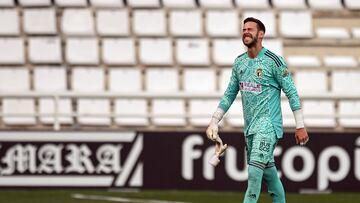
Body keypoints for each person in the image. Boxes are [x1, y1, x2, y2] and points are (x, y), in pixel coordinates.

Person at [206, 17, 309, 203]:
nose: (245, 32)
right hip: (250, 128)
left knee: (254, 173)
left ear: (261, 34)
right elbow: (229, 93)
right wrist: (214, 120)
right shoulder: (239, 63)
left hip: (268, 126)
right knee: (269, 173)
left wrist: (300, 125)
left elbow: (292, 92)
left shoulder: (274, 61)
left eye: (250, 29)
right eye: (244, 29)